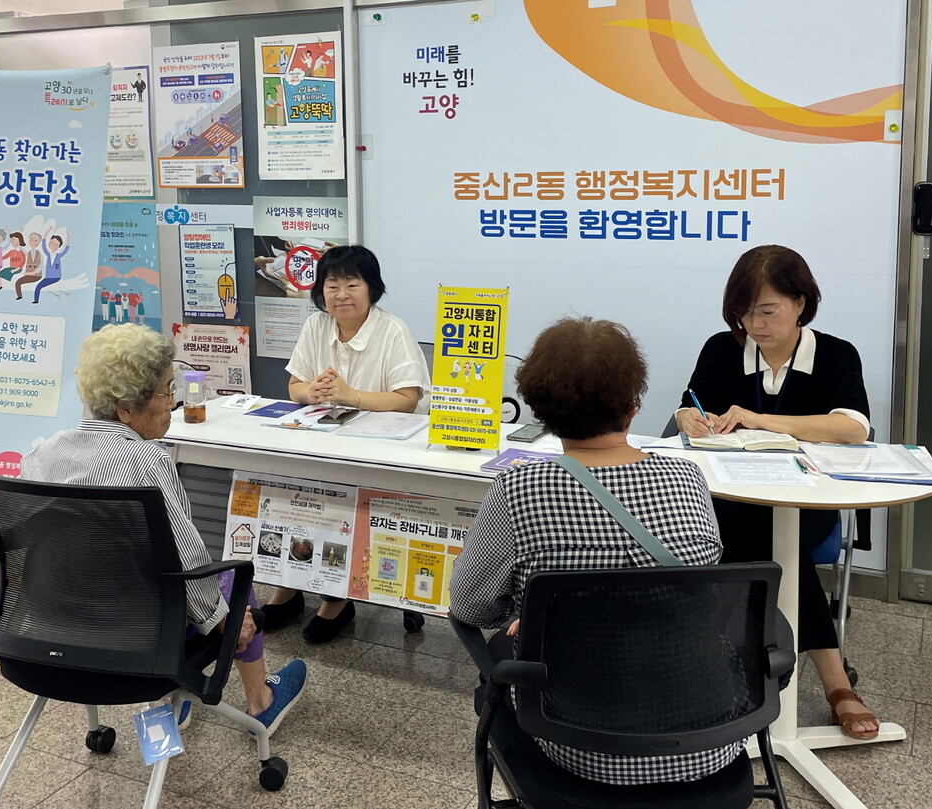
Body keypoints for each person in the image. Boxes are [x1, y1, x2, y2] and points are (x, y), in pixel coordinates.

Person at [450, 317, 734, 785]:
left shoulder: (519, 490)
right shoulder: (688, 478)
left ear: (540, 409)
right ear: (633, 404)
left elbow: (470, 609)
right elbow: (694, 593)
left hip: (576, 748)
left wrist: (541, 616)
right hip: (711, 739)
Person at [22, 324, 307, 734]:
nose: (173, 402)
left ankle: (178, 702)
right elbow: (186, 561)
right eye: (165, 391)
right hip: (141, 647)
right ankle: (259, 701)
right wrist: (223, 622)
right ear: (126, 409)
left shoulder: (40, 453)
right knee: (232, 579)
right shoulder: (147, 461)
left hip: (46, 641)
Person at [674, 244, 878, 740]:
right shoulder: (722, 349)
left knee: (769, 538)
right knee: (752, 534)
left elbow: (852, 428)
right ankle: (834, 682)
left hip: (807, 500)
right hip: (730, 497)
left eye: (767, 311)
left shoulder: (834, 354)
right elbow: (687, 405)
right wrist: (689, 418)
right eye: (744, 313)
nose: (755, 325)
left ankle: (722, 669)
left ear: (800, 303)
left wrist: (762, 419)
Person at [264, 245, 429, 643]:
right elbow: (294, 385)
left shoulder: (392, 330)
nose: (341, 294)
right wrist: (312, 392)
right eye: (332, 285)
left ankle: (337, 599)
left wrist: (350, 396)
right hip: (324, 442)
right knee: (287, 489)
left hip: (380, 450)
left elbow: (408, 398)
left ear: (372, 288)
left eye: (352, 284)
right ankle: (287, 587)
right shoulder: (316, 326)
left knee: (339, 500)